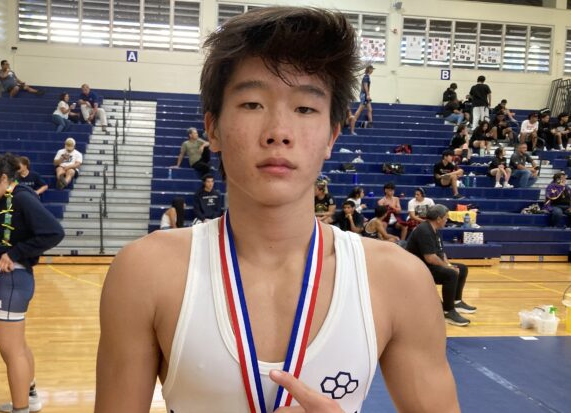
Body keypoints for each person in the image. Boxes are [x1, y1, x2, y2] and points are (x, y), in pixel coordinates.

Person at [95, 7, 460, 413]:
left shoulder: (399, 280)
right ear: (213, 129)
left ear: (331, 135)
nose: (278, 133)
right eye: (252, 104)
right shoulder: (145, 272)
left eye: (305, 108)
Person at [0, 152, 64, 413]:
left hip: (13, 282)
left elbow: (54, 232)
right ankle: (30, 396)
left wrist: (15, 254)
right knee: (18, 347)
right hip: (6, 281)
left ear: (3, 178)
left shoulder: (22, 197)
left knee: (12, 352)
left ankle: (21, 408)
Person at [406, 205, 477, 326]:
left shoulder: (435, 230)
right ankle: (448, 311)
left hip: (427, 264)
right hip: (418, 269)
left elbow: (441, 253)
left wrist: (448, 264)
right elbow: (430, 257)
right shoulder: (424, 230)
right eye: (446, 217)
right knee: (451, 274)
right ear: (438, 219)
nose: (447, 220)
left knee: (462, 269)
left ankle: (456, 302)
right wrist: (448, 267)